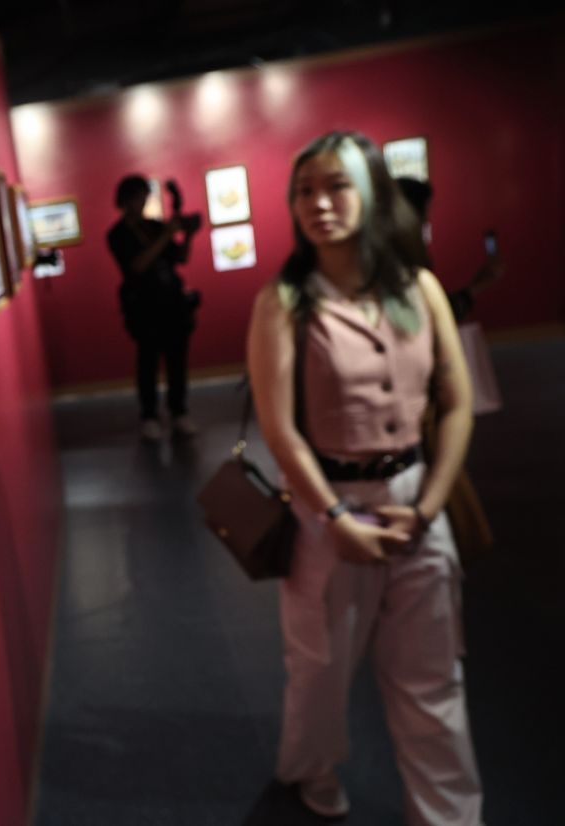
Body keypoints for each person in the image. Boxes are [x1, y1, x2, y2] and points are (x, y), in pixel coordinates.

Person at [246, 131, 483, 824]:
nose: (320, 203)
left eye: (337, 185)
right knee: (319, 671)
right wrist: (332, 518)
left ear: (373, 192)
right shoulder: (286, 302)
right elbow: (280, 429)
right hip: (331, 508)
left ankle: (450, 815)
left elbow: (457, 399)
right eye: (305, 190)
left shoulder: (420, 288)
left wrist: (431, 505)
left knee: (433, 680)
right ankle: (310, 772)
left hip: (417, 505)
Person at [106, 175, 201, 440]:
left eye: (144, 197)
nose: (141, 203)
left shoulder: (155, 226)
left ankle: (178, 411)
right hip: (143, 307)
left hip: (172, 302)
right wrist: (168, 234)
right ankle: (149, 415)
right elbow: (137, 265)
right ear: (124, 201)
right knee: (147, 362)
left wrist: (188, 236)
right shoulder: (117, 235)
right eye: (137, 197)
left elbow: (179, 258)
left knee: (177, 362)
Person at [396, 177, 503, 321]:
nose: (427, 221)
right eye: (425, 214)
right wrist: (477, 286)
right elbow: (431, 316)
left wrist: (476, 285)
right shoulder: (403, 263)